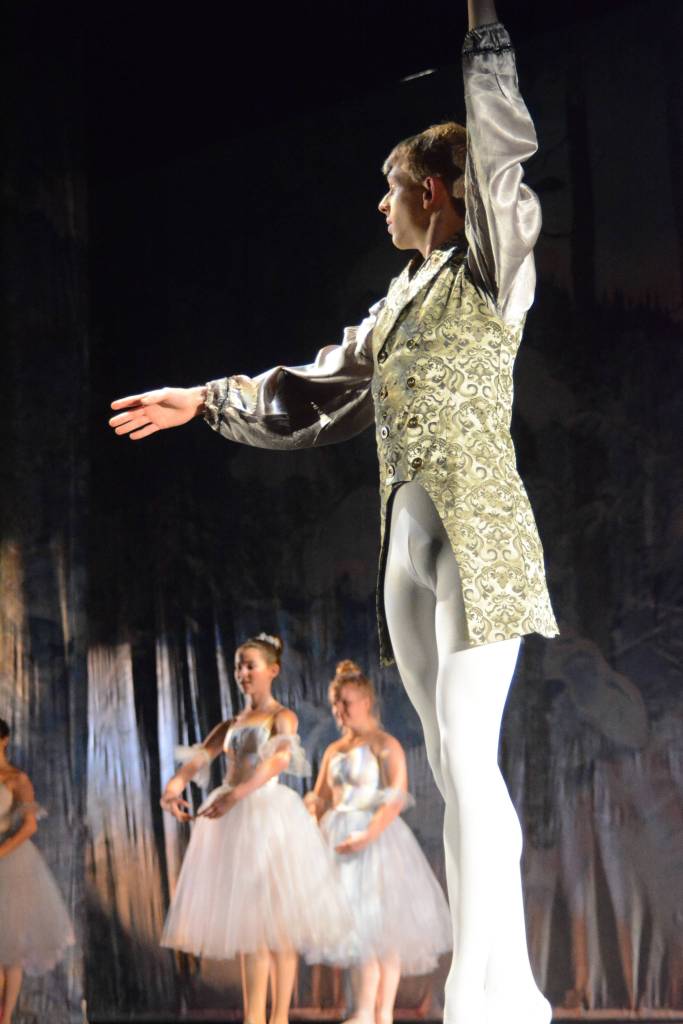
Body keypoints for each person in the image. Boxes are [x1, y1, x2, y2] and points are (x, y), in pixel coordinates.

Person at [109, 1, 558, 1020]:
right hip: (408, 540)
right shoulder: (396, 308)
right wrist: (205, 399)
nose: (380, 208)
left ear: (438, 194)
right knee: (452, 768)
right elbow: (309, 390)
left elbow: (497, 154)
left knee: (465, 751)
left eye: (392, 192)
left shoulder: (490, 267)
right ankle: (497, 981)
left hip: (479, 531)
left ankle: (495, 991)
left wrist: (481, 31)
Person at [159, 634, 351, 1024]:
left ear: (272, 670)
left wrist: (238, 794)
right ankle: (253, 1017)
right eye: (238, 666)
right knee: (250, 926)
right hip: (235, 820)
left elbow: (279, 760)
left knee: (276, 926)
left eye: (251, 665)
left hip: (268, 817)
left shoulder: (281, 716)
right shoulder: (232, 723)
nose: (243, 673)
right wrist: (172, 788)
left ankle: (277, 1017)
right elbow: (199, 759)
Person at [308, 661, 451, 1024]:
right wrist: (313, 817)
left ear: (367, 701)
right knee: (355, 927)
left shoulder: (384, 744)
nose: (339, 710)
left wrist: (368, 835)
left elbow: (396, 795)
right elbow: (321, 796)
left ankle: (377, 1013)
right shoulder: (334, 750)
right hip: (339, 841)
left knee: (380, 927)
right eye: (335, 703)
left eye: (346, 702)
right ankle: (364, 1010)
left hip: (377, 842)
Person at [0, 718, 75, 1024]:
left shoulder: (16, 779)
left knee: (9, 948)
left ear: (3, 740)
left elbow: (29, 826)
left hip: (11, 863)